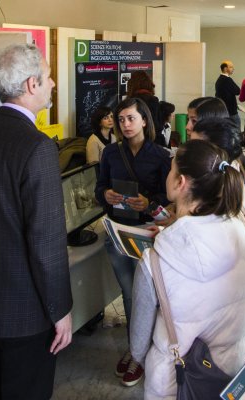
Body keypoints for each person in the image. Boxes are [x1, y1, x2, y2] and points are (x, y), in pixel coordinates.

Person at [130, 140, 245, 399]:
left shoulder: (155, 261)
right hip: (233, 370)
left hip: (177, 382)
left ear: (181, 182)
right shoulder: (242, 232)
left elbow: (137, 346)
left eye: (170, 170)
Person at [0, 44, 73, 399]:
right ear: (32, 84)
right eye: (48, 77)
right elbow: (46, 243)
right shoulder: (37, 147)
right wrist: (61, 310)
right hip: (26, 314)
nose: (52, 84)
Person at [95, 97, 171, 387]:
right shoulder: (111, 154)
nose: (125, 124)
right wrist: (106, 196)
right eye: (121, 119)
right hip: (118, 231)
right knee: (128, 293)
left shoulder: (162, 156)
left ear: (144, 120)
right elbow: (99, 187)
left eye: (131, 118)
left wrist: (149, 203)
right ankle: (135, 349)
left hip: (149, 233)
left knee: (149, 296)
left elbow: (169, 199)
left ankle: (146, 352)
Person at [126, 71, 165, 147]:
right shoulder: (154, 101)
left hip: (134, 143)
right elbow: (158, 125)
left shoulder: (129, 103)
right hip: (154, 143)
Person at [215, 60, 241, 128]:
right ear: (225, 68)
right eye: (231, 67)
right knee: (236, 131)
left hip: (223, 111)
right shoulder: (227, 79)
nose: (233, 69)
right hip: (231, 112)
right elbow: (238, 91)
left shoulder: (219, 80)